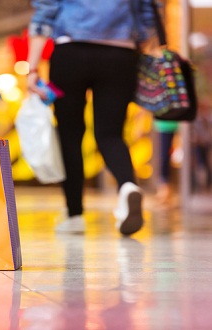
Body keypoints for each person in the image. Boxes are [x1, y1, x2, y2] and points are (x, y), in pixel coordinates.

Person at [27, 0, 157, 235]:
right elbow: (149, 14)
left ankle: (74, 215)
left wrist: (33, 68)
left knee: (70, 135)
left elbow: (44, 13)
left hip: (71, 52)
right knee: (110, 134)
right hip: (120, 54)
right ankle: (127, 185)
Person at [153, 120, 179, 204]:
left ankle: (166, 189)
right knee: (164, 157)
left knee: (165, 157)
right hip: (164, 124)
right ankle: (165, 189)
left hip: (172, 123)